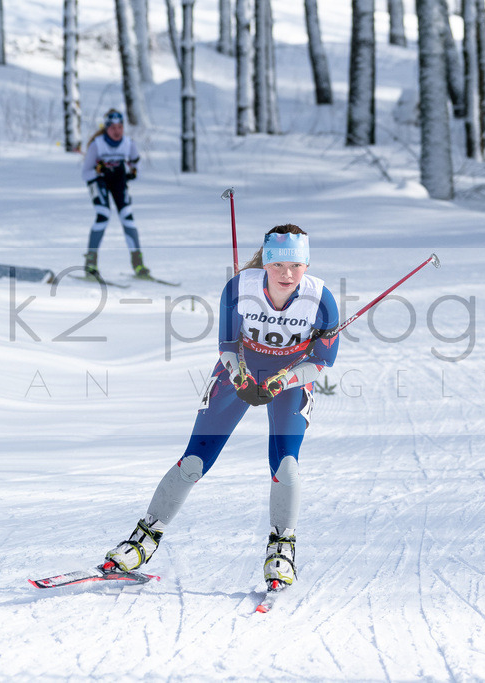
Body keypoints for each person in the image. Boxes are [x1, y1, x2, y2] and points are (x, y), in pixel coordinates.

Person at [104, 224, 340, 592]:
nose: (287, 274)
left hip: (289, 379)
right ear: (265, 263)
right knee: (194, 461)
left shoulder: (321, 299)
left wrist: (281, 381)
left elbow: (322, 362)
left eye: (295, 265)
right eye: (278, 265)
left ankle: (282, 550)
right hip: (239, 373)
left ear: (306, 266)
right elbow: (228, 344)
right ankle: (142, 541)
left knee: (287, 465)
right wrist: (239, 375)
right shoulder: (241, 287)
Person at [81, 108, 151, 279]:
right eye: (113, 128)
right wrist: (99, 171)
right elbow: (86, 173)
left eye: (120, 127)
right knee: (103, 214)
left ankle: (138, 263)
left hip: (119, 182)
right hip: (100, 182)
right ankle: (91, 263)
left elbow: (136, 165)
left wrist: (132, 172)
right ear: (106, 128)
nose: (117, 131)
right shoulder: (98, 144)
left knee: (127, 217)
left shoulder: (128, 143)